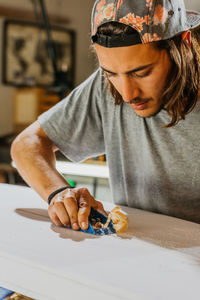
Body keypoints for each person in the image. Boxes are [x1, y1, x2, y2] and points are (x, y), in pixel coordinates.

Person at [11, 0, 200, 229]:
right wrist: (59, 193)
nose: (128, 94)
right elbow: (26, 144)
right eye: (111, 73)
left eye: (142, 73)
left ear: (184, 43)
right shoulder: (104, 88)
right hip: (135, 255)